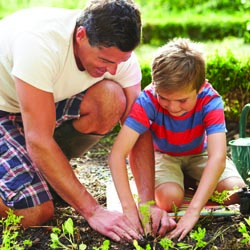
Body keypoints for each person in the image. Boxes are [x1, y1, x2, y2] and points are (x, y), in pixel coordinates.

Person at [0, 0, 147, 243]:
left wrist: (146, 202)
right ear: (81, 35)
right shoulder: (39, 44)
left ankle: (45, 171)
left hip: (38, 104)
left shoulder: (117, 58)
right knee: (34, 211)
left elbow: (138, 130)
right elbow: (38, 139)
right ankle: (40, 172)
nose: (112, 69)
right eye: (104, 60)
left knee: (110, 99)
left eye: (119, 62)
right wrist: (94, 211)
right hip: (4, 109)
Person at [108, 38, 245, 240]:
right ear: (155, 86)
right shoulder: (148, 99)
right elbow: (117, 155)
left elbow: (217, 157)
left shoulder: (210, 99)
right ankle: (185, 182)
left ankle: (190, 180)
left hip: (200, 154)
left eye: (182, 100)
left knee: (235, 192)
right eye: (164, 98)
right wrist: (131, 209)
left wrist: (193, 211)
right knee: (169, 200)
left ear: (199, 88)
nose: (173, 107)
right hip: (164, 155)